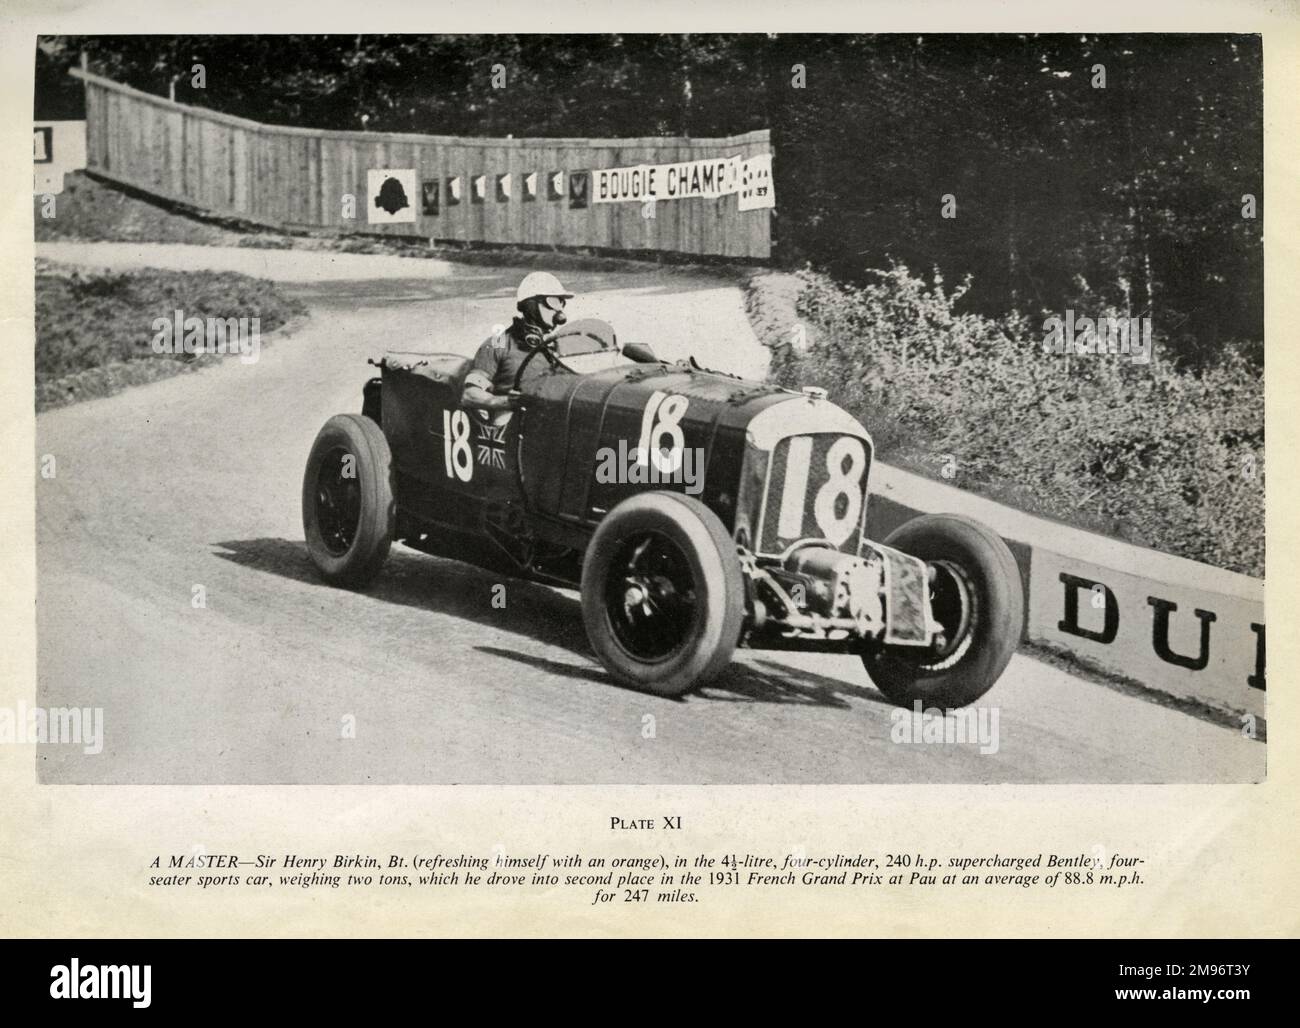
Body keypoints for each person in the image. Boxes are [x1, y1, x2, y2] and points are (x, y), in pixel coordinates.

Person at [461, 272, 574, 412]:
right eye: (553, 302)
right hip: (515, 423)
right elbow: (469, 394)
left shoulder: (558, 345)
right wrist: (507, 402)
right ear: (531, 305)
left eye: (562, 302)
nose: (560, 312)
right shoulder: (499, 344)